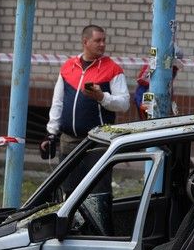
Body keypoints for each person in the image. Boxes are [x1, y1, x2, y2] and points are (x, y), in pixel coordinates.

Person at [42, 25, 130, 161]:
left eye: (104, 40)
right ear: (85, 42)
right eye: (98, 40)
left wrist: (102, 97)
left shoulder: (113, 69)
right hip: (68, 140)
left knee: (98, 183)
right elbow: (58, 102)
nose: (102, 44)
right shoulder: (68, 66)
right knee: (69, 183)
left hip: (98, 141)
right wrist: (51, 133)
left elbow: (124, 104)